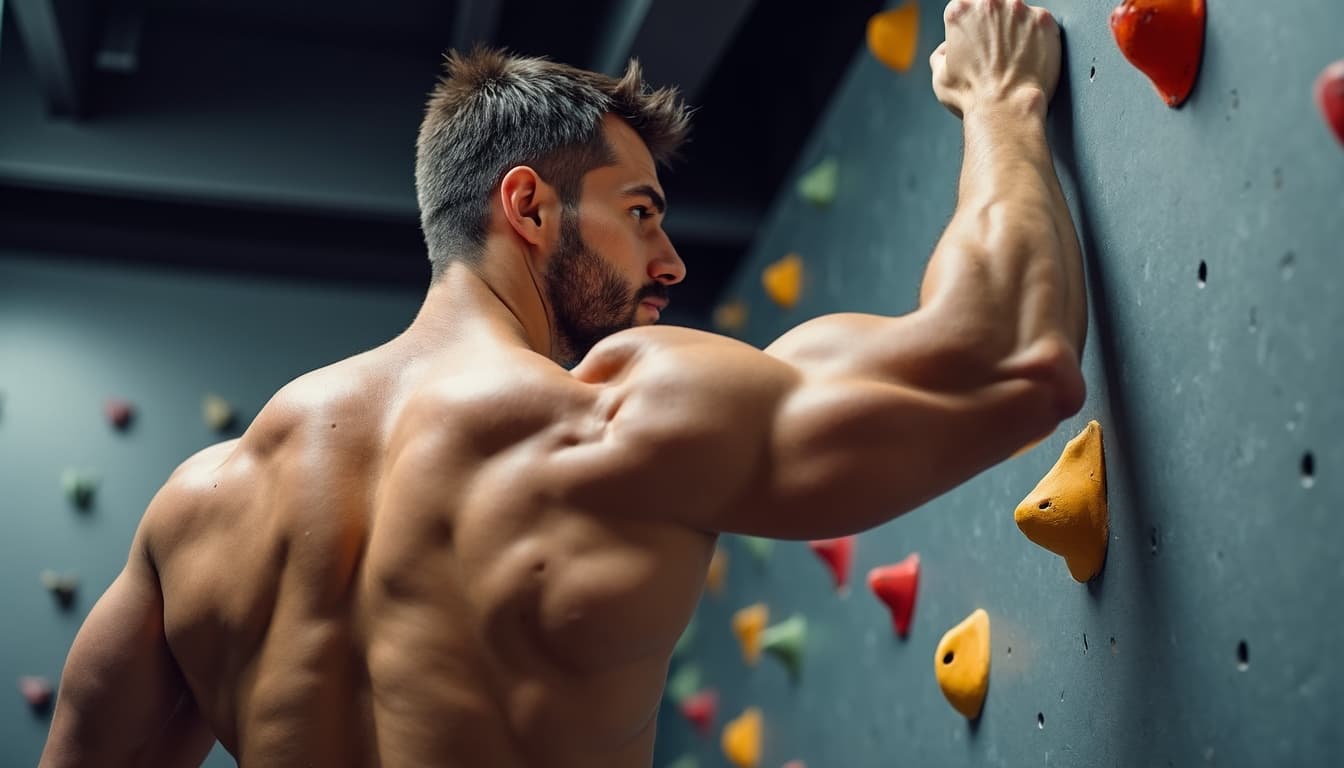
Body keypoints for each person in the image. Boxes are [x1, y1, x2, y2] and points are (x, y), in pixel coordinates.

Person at [38, 1, 1086, 765]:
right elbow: (1011, 360)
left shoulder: (195, 512)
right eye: (640, 212)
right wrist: (1001, 99)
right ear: (529, 207)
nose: (669, 261)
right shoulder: (617, 416)